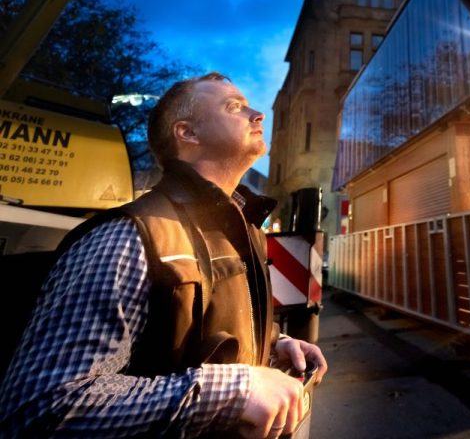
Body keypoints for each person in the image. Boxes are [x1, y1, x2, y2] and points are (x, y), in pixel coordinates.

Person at [0, 72, 327, 438]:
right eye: (234, 106)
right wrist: (236, 391)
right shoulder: (129, 237)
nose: (258, 114)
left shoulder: (244, 228)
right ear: (187, 133)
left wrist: (274, 345)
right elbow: (40, 408)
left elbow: (214, 324)